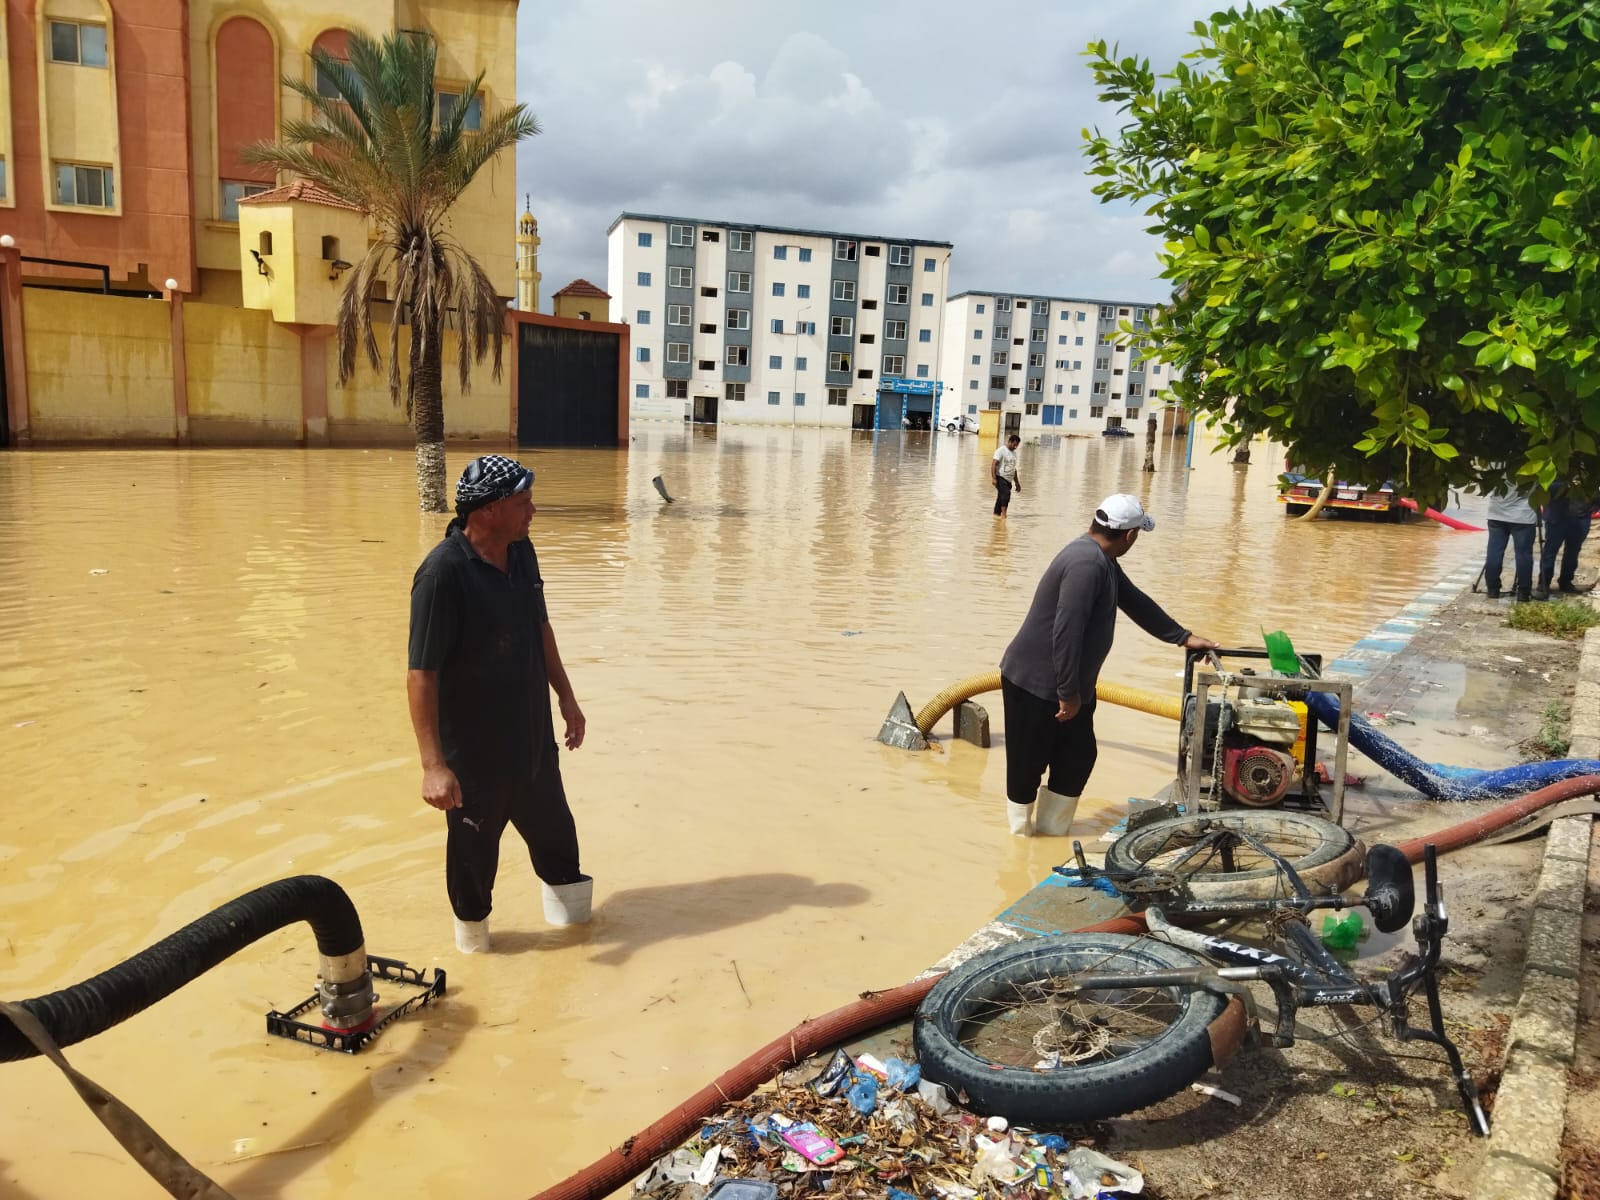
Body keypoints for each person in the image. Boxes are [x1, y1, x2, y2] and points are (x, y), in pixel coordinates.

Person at [407, 454, 592, 954]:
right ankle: (477, 963)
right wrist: (433, 766)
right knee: (472, 879)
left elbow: (541, 628)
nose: (533, 510)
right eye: (523, 502)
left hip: (534, 750)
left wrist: (567, 697)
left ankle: (575, 949)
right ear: (488, 510)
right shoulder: (442, 575)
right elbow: (421, 675)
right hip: (475, 768)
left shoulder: (522, 552)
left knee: (563, 860)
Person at [998, 494, 1217, 837]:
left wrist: (1183, 637)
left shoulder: (1103, 560)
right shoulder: (1087, 564)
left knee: (1078, 759)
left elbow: (1135, 601)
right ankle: (1021, 840)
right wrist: (1067, 693)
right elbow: (1066, 631)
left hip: (1071, 686)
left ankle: (1051, 834)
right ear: (1129, 535)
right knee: (1028, 766)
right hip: (1037, 684)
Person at [1535, 480, 1594, 600]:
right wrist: (1567, 484)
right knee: (1550, 552)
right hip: (1557, 517)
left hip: (1581, 516)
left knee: (1573, 552)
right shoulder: (1555, 467)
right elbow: (1545, 487)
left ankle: (1566, 581)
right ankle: (1544, 583)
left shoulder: (1588, 467)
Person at [1483, 483, 1539, 602]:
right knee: (1523, 554)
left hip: (1496, 513)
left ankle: (1492, 589)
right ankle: (1523, 592)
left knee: (1494, 552)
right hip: (1524, 516)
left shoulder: (1493, 464)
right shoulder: (1535, 466)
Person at [991, 434, 1022, 518]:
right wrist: (994, 478)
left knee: (1001, 498)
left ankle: (996, 516)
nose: (1015, 447)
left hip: (1008, 480)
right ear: (1009, 442)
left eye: (1017, 445)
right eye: (1014, 444)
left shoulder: (1014, 454)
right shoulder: (1001, 450)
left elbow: (1013, 469)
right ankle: (1004, 515)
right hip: (1000, 477)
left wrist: (1017, 483)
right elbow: (994, 464)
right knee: (1006, 494)